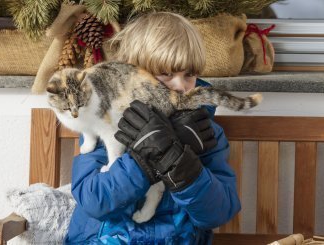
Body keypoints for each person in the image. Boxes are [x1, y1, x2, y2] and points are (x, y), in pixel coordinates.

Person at [64, 12, 241, 244]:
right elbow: (94, 201)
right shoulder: (104, 124)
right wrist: (145, 160)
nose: (181, 86)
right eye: (166, 74)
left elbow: (218, 213)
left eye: (190, 75)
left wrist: (181, 162)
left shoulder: (205, 132)